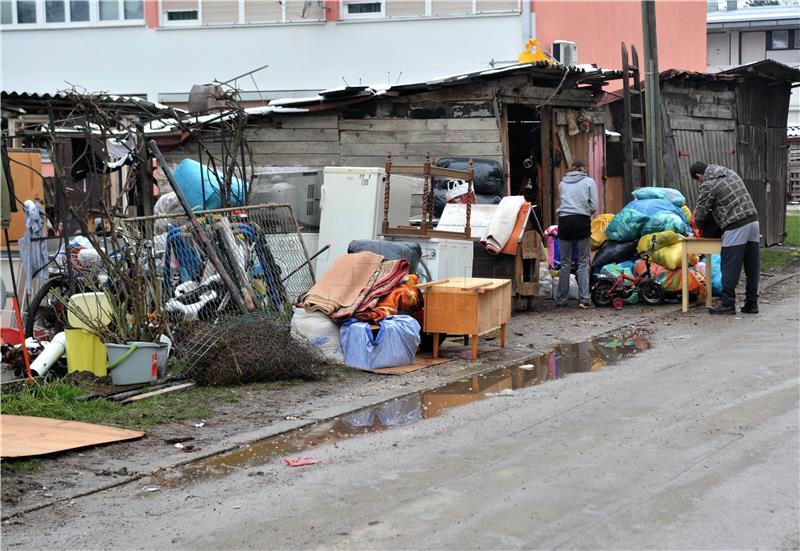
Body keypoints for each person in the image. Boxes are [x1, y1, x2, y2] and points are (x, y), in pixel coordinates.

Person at [690, 161, 760, 315]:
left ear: (699, 176)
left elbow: (700, 213)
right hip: (753, 221)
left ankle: (728, 305)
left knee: (729, 266)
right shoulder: (730, 172)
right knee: (752, 266)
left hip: (736, 225)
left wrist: (700, 227)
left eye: (698, 180)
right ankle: (752, 303)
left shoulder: (708, 184)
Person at [555, 160, 597, 308]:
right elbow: (594, 205)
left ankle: (561, 300)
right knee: (583, 262)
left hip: (565, 222)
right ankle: (584, 300)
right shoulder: (589, 182)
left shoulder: (562, 183)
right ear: (583, 170)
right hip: (581, 221)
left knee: (565, 263)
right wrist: (586, 211)